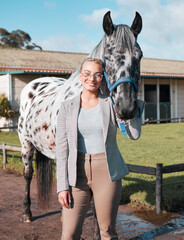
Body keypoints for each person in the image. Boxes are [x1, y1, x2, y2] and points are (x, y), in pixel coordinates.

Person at [56, 58, 144, 240]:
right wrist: (62, 186)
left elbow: (134, 134)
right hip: (76, 176)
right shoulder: (67, 107)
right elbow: (61, 148)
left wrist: (132, 102)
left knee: (107, 233)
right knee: (69, 234)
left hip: (107, 172)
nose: (92, 79)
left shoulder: (111, 104)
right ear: (80, 76)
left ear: (103, 78)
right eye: (87, 74)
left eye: (97, 75)